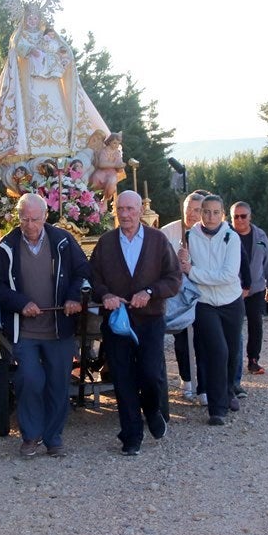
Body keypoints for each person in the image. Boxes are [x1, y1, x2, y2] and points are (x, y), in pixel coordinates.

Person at [0, 3, 111, 192]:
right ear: (25, 20)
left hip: (50, 82)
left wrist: (59, 56)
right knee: (32, 113)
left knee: (57, 112)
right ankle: (32, 143)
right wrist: (31, 51)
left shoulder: (48, 35)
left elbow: (63, 50)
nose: (33, 21)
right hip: (29, 83)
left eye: (35, 18)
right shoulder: (19, 36)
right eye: (30, 18)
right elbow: (18, 47)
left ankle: (60, 144)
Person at [0, 193, 92, 457]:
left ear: (45, 216)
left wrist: (72, 298)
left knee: (58, 383)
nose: (30, 225)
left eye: (35, 219)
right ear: (18, 217)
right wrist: (20, 303)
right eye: (25, 219)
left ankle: (53, 438)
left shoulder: (63, 241)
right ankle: (31, 436)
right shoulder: (5, 246)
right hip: (26, 330)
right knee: (30, 379)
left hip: (59, 328)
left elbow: (83, 272)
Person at [90, 190, 182, 456]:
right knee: (122, 378)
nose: (125, 214)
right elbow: (93, 278)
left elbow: (174, 278)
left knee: (152, 374)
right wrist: (105, 295)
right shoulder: (106, 243)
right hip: (117, 321)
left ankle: (152, 410)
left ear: (141, 211)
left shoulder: (157, 240)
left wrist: (150, 292)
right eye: (121, 209)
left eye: (130, 209)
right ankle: (131, 436)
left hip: (150, 320)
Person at [186, 194, 244, 426]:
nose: (210, 217)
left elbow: (229, 275)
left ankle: (228, 392)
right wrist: (188, 269)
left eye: (215, 212)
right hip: (204, 304)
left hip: (231, 301)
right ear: (200, 213)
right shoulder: (189, 236)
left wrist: (193, 272)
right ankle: (217, 408)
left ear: (222, 214)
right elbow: (183, 267)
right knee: (216, 351)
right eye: (206, 211)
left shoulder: (232, 238)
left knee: (231, 351)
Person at [161, 191, 206, 401]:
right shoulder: (168, 232)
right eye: (189, 209)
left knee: (204, 342)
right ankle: (187, 380)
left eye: (197, 210)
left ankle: (205, 384)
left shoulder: (207, 234)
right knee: (182, 340)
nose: (192, 214)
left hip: (204, 296)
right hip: (178, 299)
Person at [229, 202, 268, 378]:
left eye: (243, 216)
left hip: (256, 288)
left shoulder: (260, 237)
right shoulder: (226, 236)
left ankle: (253, 359)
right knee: (234, 327)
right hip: (232, 290)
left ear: (250, 217)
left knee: (256, 323)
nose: (239, 220)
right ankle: (232, 362)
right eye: (236, 216)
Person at [89, 131, 126, 202]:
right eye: (115, 143)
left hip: (112, 173)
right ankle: (91, 198)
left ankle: (105, 200)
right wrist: (115, 165)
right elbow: (101, 164)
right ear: (109, 142)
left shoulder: (117, 153)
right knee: (95, 178)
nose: (116, 145)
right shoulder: (104, 151)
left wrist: (121, 166)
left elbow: (119, 167)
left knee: (112, 181)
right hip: (102, 172)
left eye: (118, 143)